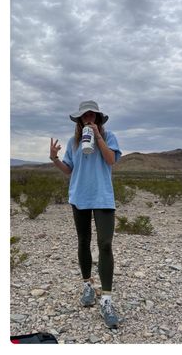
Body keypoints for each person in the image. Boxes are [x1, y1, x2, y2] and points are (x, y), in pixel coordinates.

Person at [49, 100, 122, 329]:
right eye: (85, 116)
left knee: (106, 244)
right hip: (80, 196)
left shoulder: (109, 137)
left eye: (93, 115)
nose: (89, 118)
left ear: (98, 118)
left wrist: (98, 136)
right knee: (83, 241)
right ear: (80, 119)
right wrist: (54, 159)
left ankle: (107, 300)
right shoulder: (73, 142)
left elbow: (111, 161)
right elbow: (70, 170)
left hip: (102, 196)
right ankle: (88, 285)